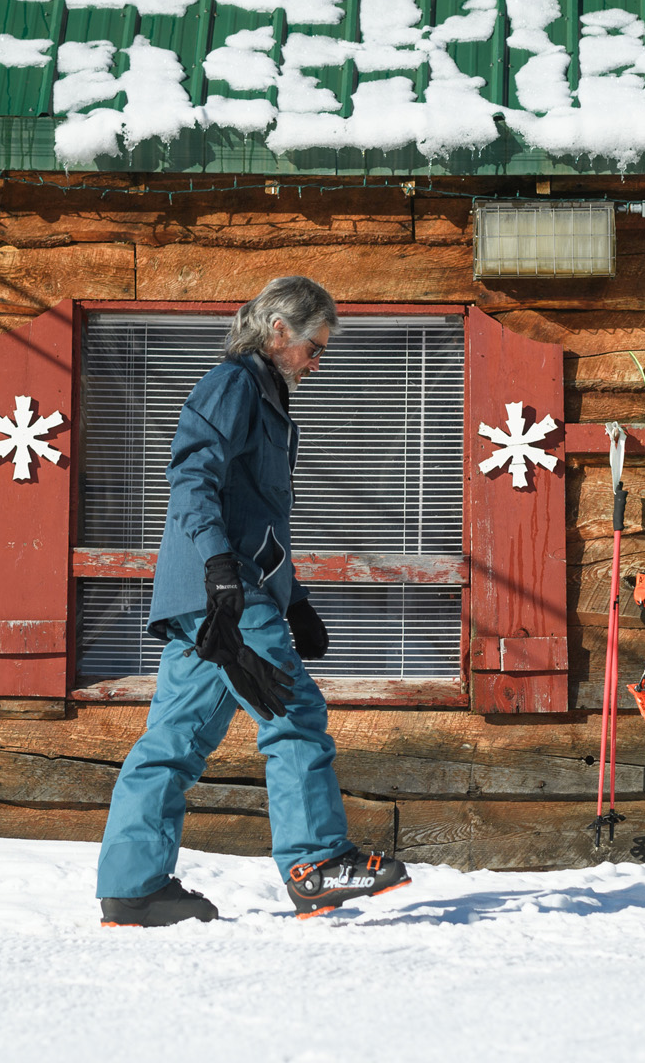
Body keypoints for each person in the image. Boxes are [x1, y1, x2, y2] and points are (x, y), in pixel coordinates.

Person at [95, 277, 411, 927]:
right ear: (278, 333)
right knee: (292, 710)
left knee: (173, 739)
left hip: (221, 595)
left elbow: (257, 518)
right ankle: (315, 862)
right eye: (314, 348)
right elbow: (191, 474)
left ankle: (132, 887)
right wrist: (217, 570)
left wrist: (293, 600)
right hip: (224, 595)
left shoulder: (268, 400)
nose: (318, 364)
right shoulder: (235, 383)